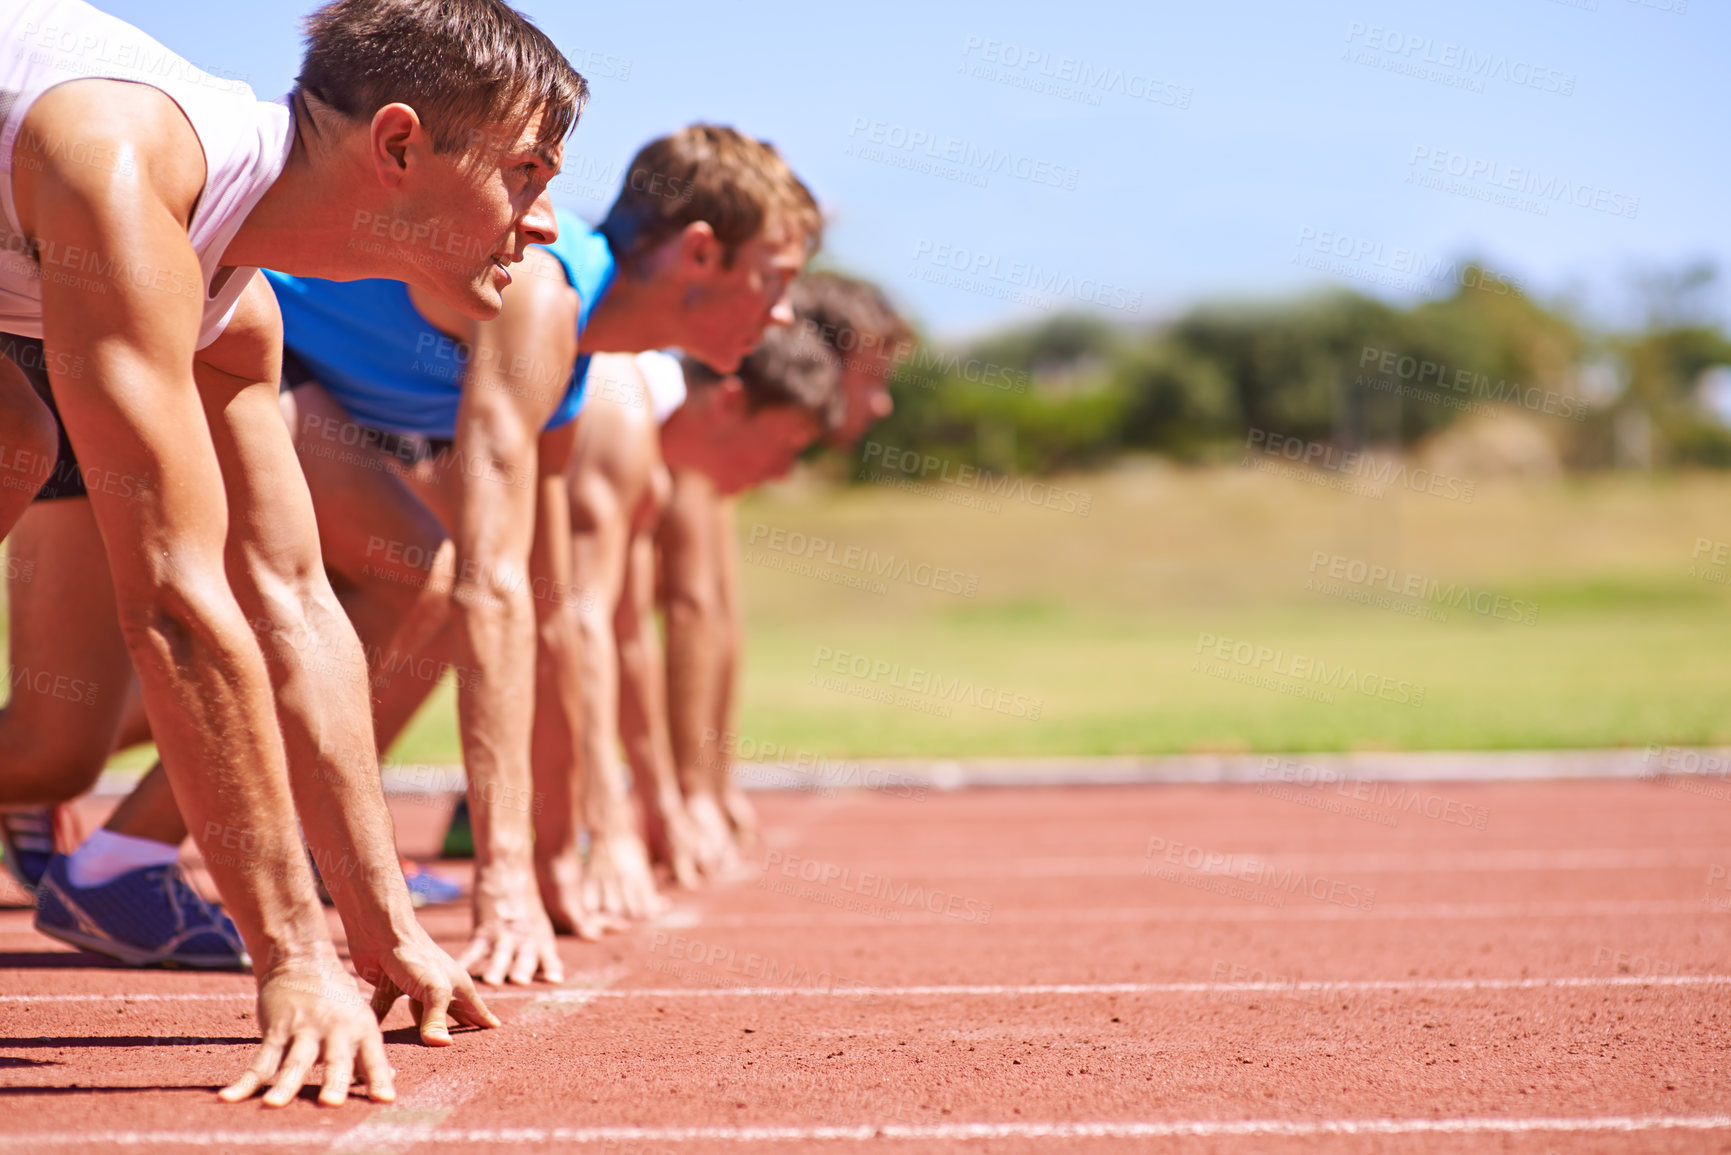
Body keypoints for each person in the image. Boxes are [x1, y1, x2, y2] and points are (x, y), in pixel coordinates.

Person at [0, 0, 584, 1106]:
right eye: (525, 171)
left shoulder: (233, 307)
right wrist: (292, 959)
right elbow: (171, 601)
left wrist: (378, 929)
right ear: (401, 144)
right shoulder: (123, 171)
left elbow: (293, 604)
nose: (544, 220)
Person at [551, 330, 844, 890]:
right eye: (786, 445)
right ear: (730, 402)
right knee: (445, 588)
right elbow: (576, 620)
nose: (784, 473)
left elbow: (628, 632)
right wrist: (610, 825)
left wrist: (664, 806)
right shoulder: (622, 408)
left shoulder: (652, 461)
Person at [657, 274, 910, 858]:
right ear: (819, 355)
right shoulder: (713, 421)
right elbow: (690, 608)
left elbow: (719, 611)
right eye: (871, 377)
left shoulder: (734, 427)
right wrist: (692, 793)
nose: (882, 402)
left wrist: (716, 785)